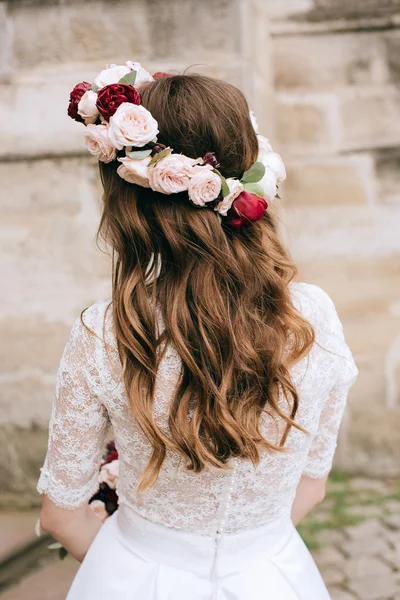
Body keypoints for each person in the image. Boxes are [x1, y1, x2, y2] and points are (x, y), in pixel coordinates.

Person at [37, 63, 358, 600]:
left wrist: (127, 561)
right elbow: (312, 484)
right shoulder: (312, 317)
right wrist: (245, 554)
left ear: (129, 199)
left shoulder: (107, 331)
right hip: (273, 577)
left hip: (136, 577)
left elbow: (60, 517)